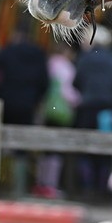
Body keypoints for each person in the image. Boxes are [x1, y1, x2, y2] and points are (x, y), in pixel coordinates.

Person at [0, 25, 50, 197]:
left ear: (16, 35)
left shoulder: (6, 52)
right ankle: (18, 188)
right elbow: (44, 82)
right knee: (22, 147)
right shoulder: (38, 55)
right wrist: (35, 100)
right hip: (27, 105)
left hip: (6, 102)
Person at [72, 26, 112, 198]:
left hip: (87, 109)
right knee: (106, 151)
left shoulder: (84, 59)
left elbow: (76, 83)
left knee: (85, 148)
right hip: (108, 110)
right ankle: (102, 188)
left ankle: (86, 187)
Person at [32, 40, 81, 199]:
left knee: (44, 149)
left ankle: (40, 183)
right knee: (55, 151)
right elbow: (67, 92)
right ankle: (50, 185)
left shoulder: (48, 63)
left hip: (46, 110)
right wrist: (78, 100)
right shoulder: (66, 67)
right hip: (60, 113)